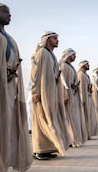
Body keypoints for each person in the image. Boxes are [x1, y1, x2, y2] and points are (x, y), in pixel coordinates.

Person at [0, 2, 32, 172]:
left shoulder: (8, 37)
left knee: (7, 128)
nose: (9, 15)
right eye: (5, 12)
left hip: (9, 86)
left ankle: (1, 166)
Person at [30, 31, 70, 160]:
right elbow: (34, 73)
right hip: (42, 93)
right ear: (47, 40)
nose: (57, 40)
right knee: (42, 119)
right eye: (55, 38)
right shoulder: (42, 53)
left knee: (49, 120)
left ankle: (47, 148)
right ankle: (39, 150)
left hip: (50, 93)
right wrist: (35, 91)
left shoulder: (50, 54)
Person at [59, 48, 86, 147]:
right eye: (73, 54)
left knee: (74, 118)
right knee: (68, 118)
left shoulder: (70, 67)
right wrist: (64, 94)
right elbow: (62, 82)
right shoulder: (63, 66)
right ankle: (71, 140)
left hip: (73, 95)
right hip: (68, 96)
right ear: (68, 55)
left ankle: (74, 139)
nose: (75, 56)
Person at [77, 60, 98, 139]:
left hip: (88, 97)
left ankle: (88, 133)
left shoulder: (85, 75)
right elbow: (81, 88)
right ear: (82, 65)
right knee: (85, 116)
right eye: (87, 64)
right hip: (85, 98)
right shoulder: (80, 75)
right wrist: (83, 99)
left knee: (89, 117)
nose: (88, 65)